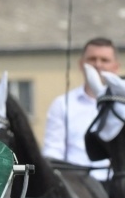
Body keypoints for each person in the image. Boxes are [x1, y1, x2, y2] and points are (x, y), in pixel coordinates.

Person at [42, 37, 119, 184]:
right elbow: (52, 152)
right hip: (77, 187)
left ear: (116, 67)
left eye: (104, 60)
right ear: (81, 64)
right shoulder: (62, 104)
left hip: (117, 186)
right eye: (92, 59)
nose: (98, 64)